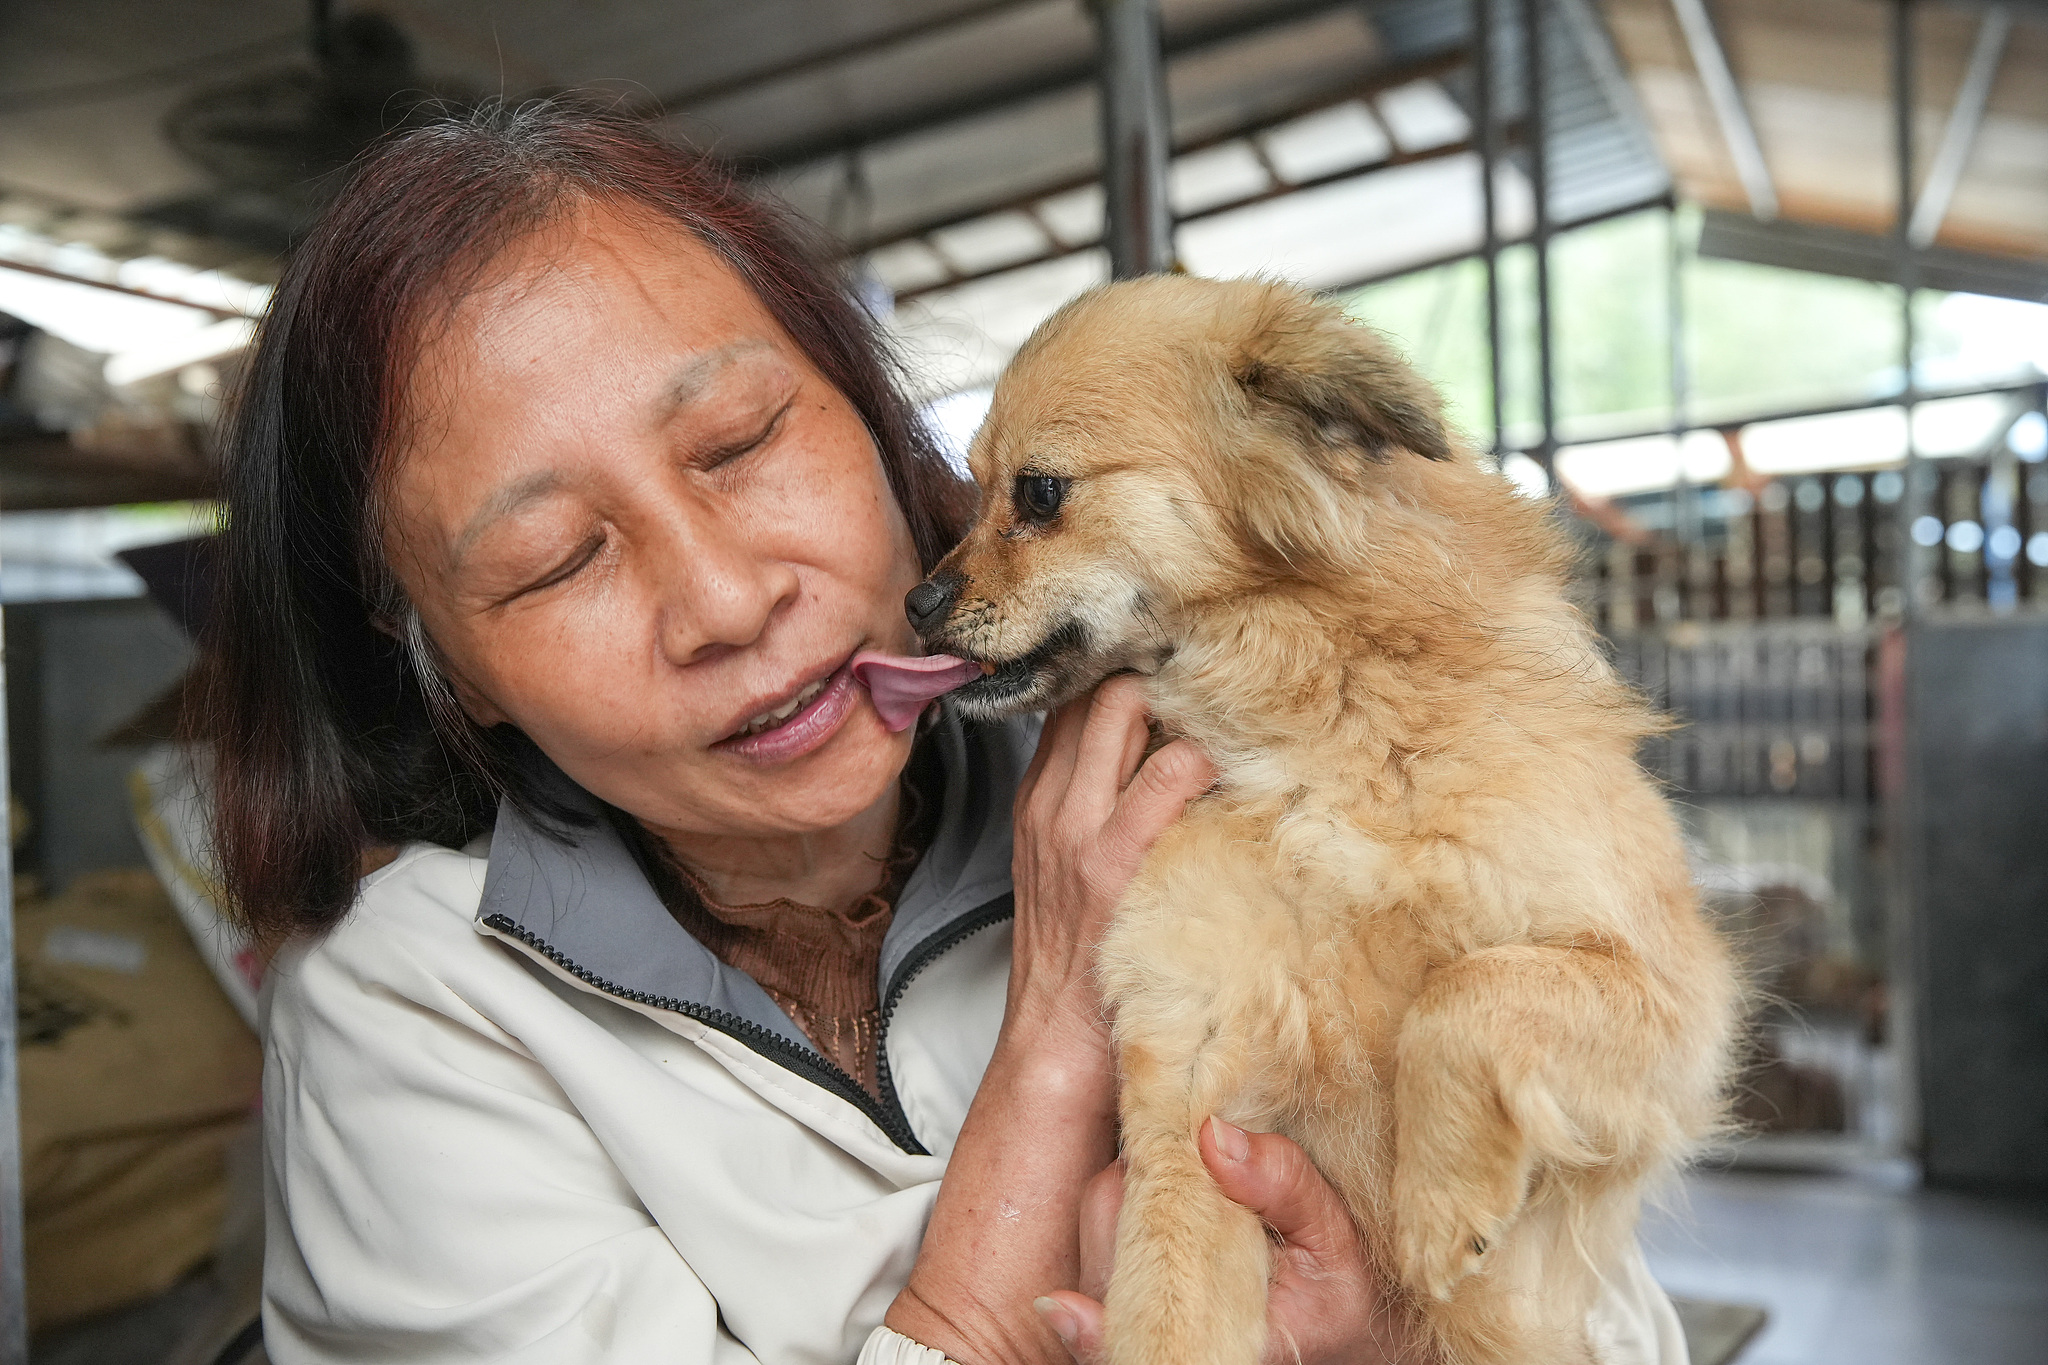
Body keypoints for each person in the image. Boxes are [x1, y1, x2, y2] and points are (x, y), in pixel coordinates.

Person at [203, 103, 1686, 1365]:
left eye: (739, 445)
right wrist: (1052, 1049)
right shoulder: (411, 1010)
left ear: (871, 419)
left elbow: (1613, 1309)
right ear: (451, 669)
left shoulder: (1192, 770)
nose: (722, 601)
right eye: (556, 561)